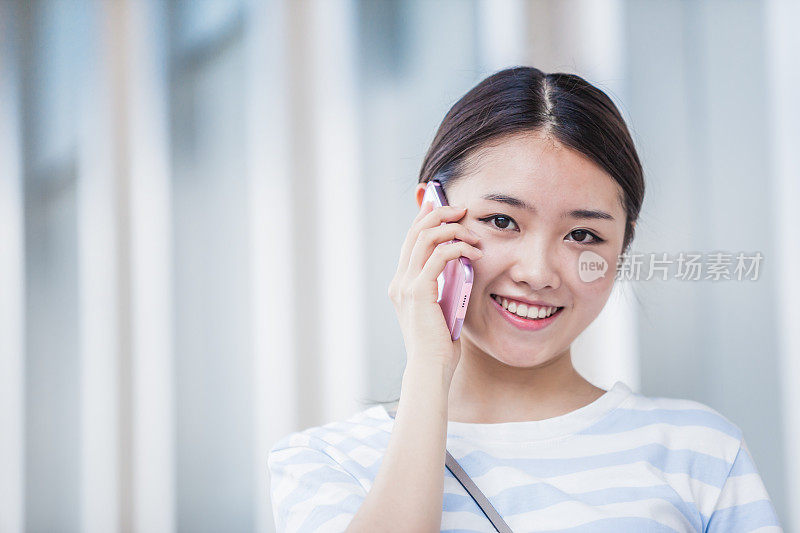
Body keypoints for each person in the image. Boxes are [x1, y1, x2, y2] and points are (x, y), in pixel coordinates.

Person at [268, 66, 782, 532]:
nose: (538, 273)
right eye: (502, 221)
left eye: (583, 234)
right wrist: (428, 366)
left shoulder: (701, 452)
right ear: (432, 214)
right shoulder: (326, 461)